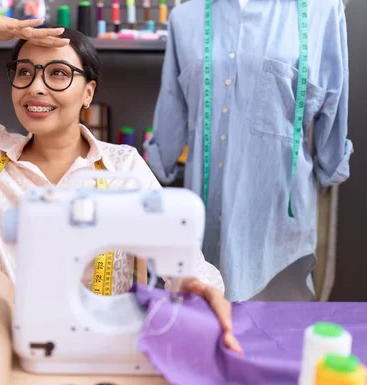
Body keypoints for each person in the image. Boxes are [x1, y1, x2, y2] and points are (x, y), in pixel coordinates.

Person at [0, 9, 242, 353]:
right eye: (24, 72)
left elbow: (180, 259)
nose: (36, 87)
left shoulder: (123, 169)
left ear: (88, 92)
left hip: (94, 349)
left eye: (57, 74)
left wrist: (198, 288)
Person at [145, 0, 351, 302]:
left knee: (278, 339)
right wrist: (156, 164)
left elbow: (334, 98)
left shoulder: (321, 11)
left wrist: (332, 161)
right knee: (204, 338)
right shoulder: (185, 18)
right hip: (201, 227)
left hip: (278, 232)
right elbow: (173, 102)